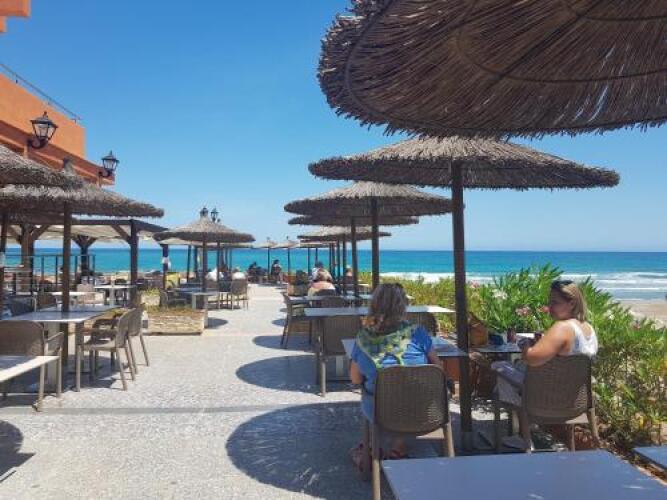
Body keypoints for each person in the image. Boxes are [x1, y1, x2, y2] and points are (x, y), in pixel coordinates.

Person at [349, 283, 441, 461]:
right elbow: (438, 369)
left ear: (374, 305)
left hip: (381, 413)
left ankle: (372, 445)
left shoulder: (363, 339)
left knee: (375, 392)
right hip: (423, 410)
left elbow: (355, 379)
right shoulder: (418, 334)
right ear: (402, 306)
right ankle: (399, 447)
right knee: (406, 390)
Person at [491, 280, 599, 408]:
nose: (549, 307)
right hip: (574, 402)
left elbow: (531, 359)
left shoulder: (562, 327)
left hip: (547, 400)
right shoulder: (588, 328)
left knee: (498, 366)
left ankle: (521, 413)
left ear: (572, 303)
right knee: (517, 366)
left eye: (555, 302)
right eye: (549, 302)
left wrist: (525, 345)